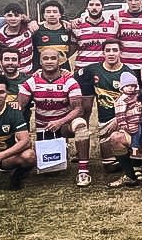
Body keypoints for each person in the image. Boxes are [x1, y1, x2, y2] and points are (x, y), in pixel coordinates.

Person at [18, 47, 90, 186]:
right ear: (40, 61)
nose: (49, 61)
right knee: (51, 172)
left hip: (63, 125)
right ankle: (61, 150)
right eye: (45, 58)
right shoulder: (32, 81)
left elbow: (78, 109)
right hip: (43, 129)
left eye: (53, 58)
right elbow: (20, 106)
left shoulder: (69, 81)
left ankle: (83, 171)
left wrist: (60, 122)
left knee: (81, 124)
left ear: (59, 61)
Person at [78, 39, 132, 172]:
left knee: (121, 148)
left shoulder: (127, 72)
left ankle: (133, 159)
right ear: (103, 52)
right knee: (109, 166)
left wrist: (119, 119)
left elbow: (133, 102)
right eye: (108, 50)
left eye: (115, 50)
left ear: (120, 52)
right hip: (104, 122)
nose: (111, 53)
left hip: (124, 121)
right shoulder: (93, 70)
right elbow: (73, 78)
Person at [103, 71, 142, 187]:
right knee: (119, 139)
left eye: (133, 86)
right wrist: (122, 124)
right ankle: (130, 173)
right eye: (127, 86)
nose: (131, 89)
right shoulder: (122, 100)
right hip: (131, 127)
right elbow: (120, 114)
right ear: (122, 88)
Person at [72, 0, 119, 88]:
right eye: (91, 5)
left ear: (102, 7)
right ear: (87, 7)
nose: (94, 7)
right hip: (83, 68)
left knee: (106, 100)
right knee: (86, 101)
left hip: (105, 70)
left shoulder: (114, 25)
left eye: (97, 5)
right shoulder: (77, 26)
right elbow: (72, 47)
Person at [32, 0, 76, 71]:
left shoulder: (67, 29)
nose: (52, 14)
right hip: (41, 71)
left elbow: (74, 46)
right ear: (43, 15)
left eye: (55, 12)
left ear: (60, 14)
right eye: (48, 12)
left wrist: (62, 57)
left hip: (63, 70)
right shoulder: (36, 31)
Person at [0, 2, 36, 75]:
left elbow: (46, 25)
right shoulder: (1, 34)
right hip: (8, 74)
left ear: (22, 17)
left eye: (16, 15)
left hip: (27, 74)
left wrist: (62, 22)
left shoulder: (29, 28)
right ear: (4, 17)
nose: (13, 18)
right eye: (9, 16)